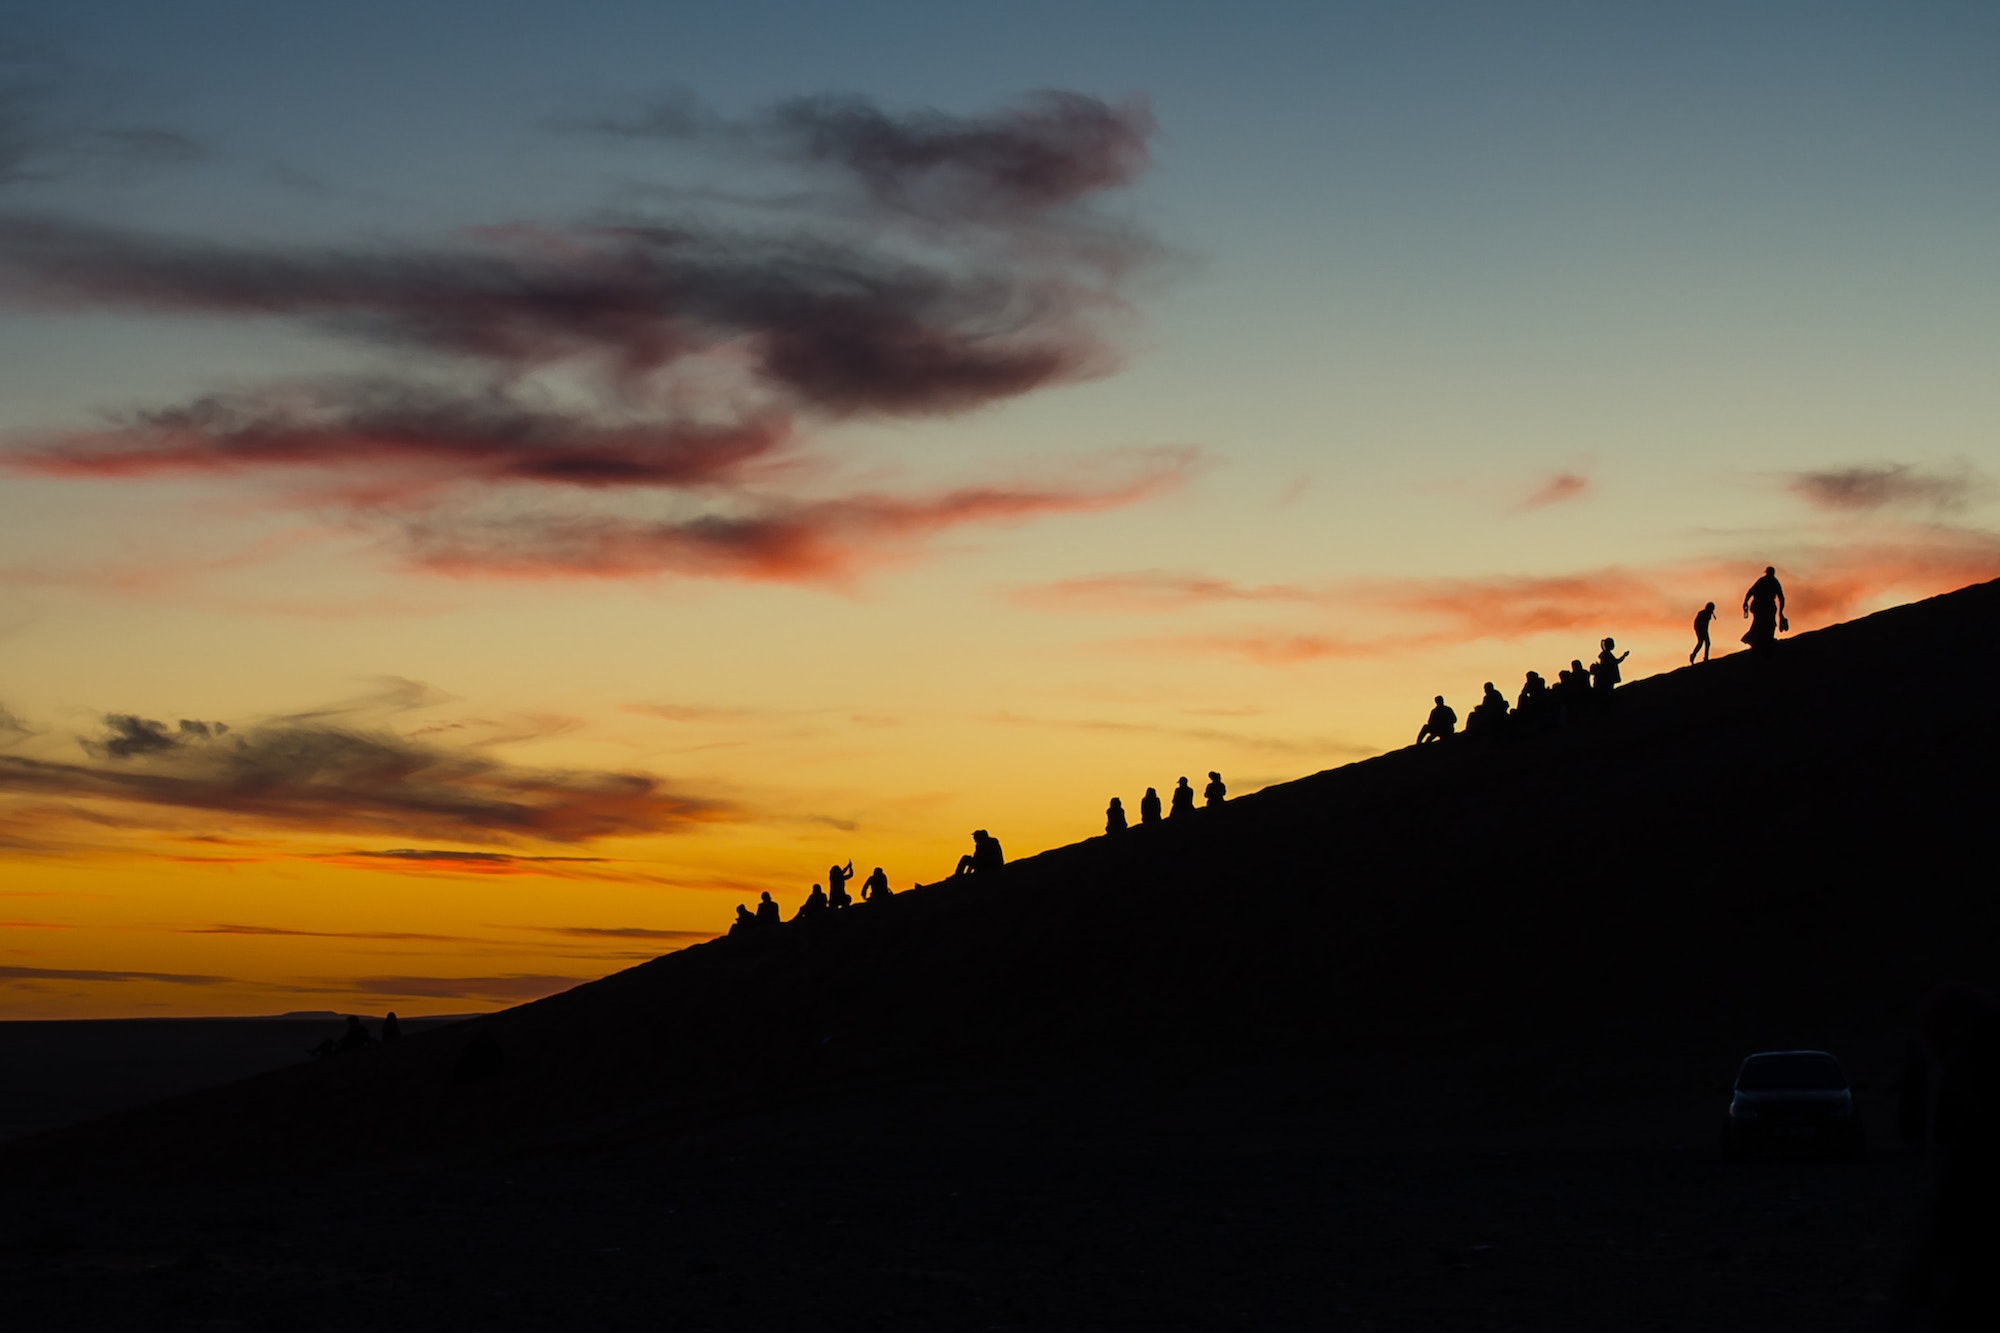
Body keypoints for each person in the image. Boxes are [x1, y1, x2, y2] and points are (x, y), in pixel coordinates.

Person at [1741, 566, 1786, 649]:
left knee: (1764, 623)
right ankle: (1760, 641)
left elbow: (1751, 591)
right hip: (1762, 606)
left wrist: (1746, 602)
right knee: (1764, 623)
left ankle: (1762, 641)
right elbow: (1781, 598)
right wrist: (1780, 612)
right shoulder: (1773, 582)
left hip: (1762, 606)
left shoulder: (1764, 581)